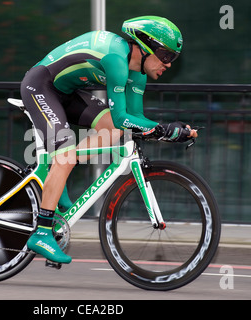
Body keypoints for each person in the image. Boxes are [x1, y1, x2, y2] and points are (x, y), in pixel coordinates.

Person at [21, 16, 197, 264]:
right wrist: (164, 129)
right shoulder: (116, 59)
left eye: (173, 59)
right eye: (166, 56)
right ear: (145, 48)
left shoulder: (138, 74)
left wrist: (168, 131)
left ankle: (58, 171)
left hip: (67, 92)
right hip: (41, 85)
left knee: (114, 130)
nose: (168, 64)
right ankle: (41, 232)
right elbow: (124, 117)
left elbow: (134, 120)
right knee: (69, 153)